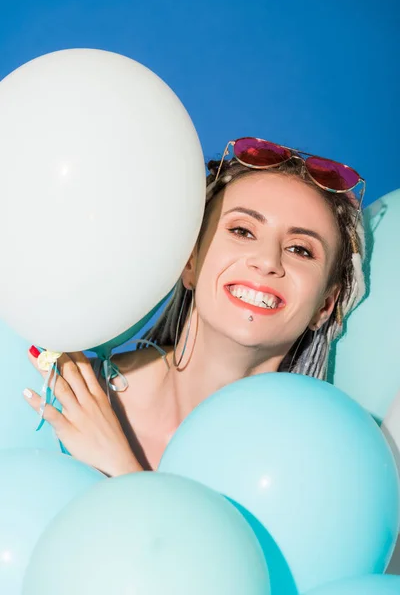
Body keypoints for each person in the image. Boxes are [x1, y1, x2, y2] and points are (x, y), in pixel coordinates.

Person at [24, 137, 366, 477]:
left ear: (325, 304)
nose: (267, 261)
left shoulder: (315, 468)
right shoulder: (57, 392)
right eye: (243, 230)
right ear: (190, 261)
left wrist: (121, 469)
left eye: (300, 250)